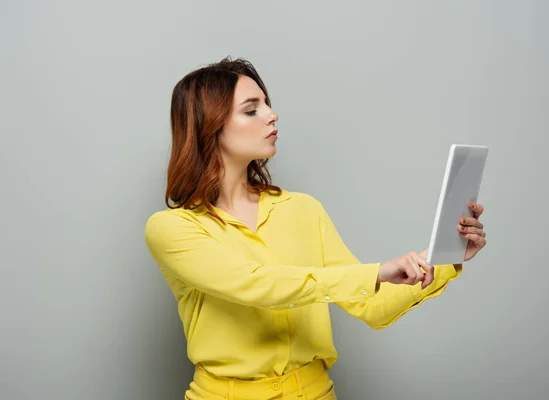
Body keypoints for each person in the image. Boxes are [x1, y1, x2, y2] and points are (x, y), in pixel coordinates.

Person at [144, 57, 488, 400]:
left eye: (267, 104)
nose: (271, 114)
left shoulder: (303, 209)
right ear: (209, 126)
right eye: (251, 110)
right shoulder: (172, 229)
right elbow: (258, 284)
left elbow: (371, 305)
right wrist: (378, 272)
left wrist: (445, 254)